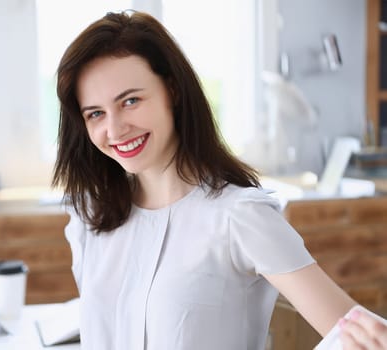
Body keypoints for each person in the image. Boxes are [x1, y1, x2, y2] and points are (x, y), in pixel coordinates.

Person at [51, 10, 382, 349]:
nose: (115, 129)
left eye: (131, 100)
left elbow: (364, 336)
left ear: (173, 91)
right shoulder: (89, 217)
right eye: (96, 114)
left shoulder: (239, 216)